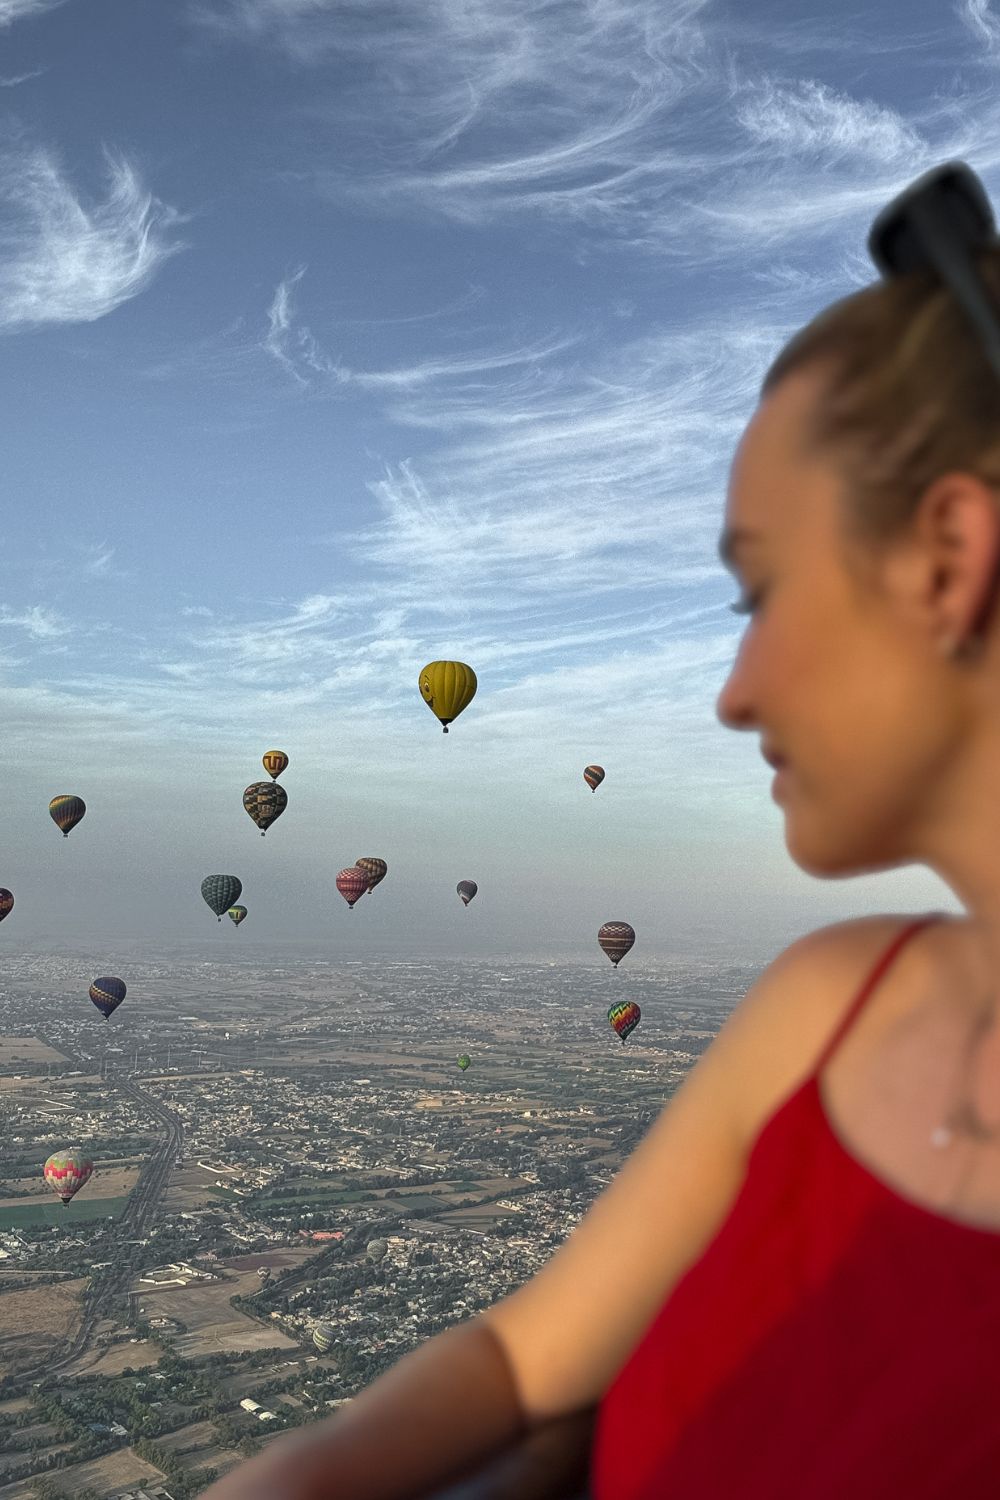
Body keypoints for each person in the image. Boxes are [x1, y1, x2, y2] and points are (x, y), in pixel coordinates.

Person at [201, 165, 1000, 1500]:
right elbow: (525, 1362)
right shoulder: (827, 1002)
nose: (731, 693)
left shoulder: (834, 1011)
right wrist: (293, 1480)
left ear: (948, 555)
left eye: (758, 589)